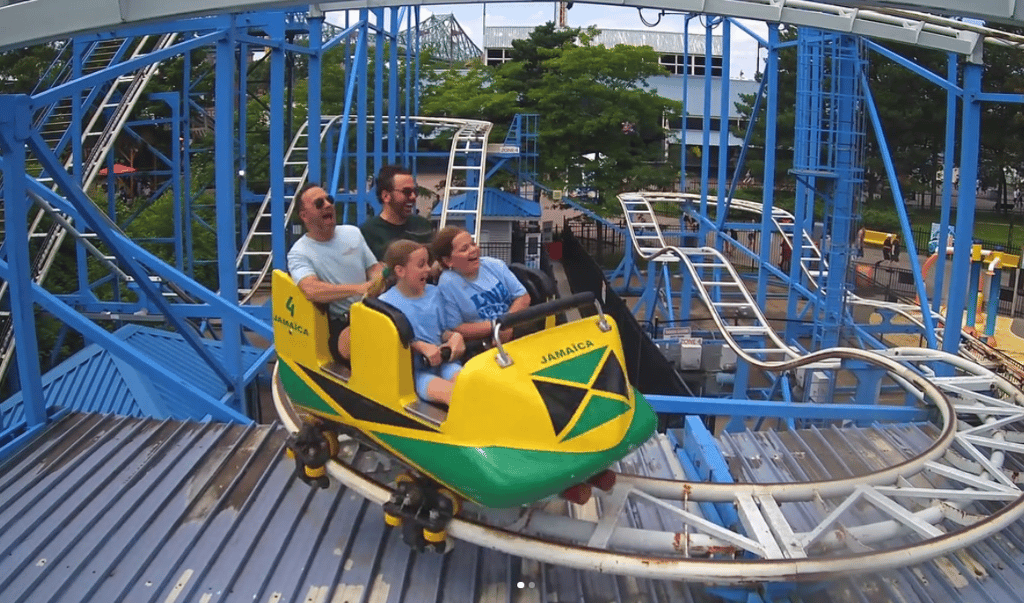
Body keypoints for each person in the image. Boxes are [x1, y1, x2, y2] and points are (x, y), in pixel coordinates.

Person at [288, 183, 379, 362]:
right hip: (341, 322)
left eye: (329, 200)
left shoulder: (353, 233)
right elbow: (311, 289)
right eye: (319, 203)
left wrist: (377, 283)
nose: (328, 205)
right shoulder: (299, 252)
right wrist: (359, 289)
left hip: (373, 310)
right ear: (304, 216)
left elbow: (374, 268)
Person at [378, 240, 466, 406]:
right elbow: (387, 348)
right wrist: (419, 346)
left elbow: (443, 331)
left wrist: (455, 337)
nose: (427, 268)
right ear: (400, 271)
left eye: (427, 263)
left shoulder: (435, 293)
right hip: (415, 374)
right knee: (454, 395)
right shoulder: (386, 303)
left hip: (445, 363)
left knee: (472, 387)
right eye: (421, 265)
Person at [434, 226, 531, 343]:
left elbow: (523, 297)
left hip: (515, 329)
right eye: (464, 249)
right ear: (448, 261)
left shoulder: (495, 265)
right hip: (482, 343)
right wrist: (497, 326)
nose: (473, 250)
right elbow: (457, 328)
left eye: (473, 244)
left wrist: (507, 323)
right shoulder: (447, 284)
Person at [360, 165, 435, 261]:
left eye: (415, 191)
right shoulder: (368, 233)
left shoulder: (422, 225)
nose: (413, 197)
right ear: (386, 196)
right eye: (407, 192)